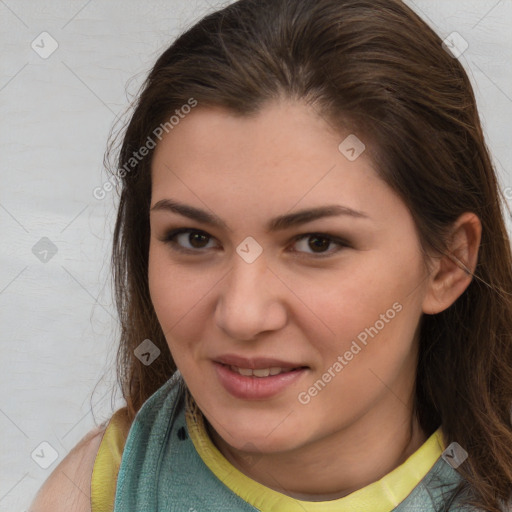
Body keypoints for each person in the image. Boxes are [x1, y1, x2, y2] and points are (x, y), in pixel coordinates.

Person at [30, 0, 512, 511]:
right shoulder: (96, 490)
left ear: (446, 264)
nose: (242, 314)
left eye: (317, 243)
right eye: (194, 238)